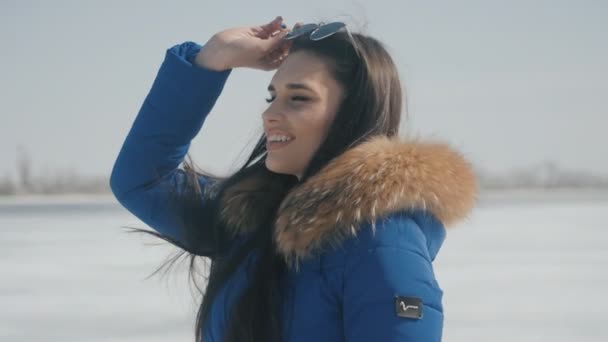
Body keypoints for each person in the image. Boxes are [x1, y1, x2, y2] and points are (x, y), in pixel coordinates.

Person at [110, 16, 476, 342]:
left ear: (353, 113)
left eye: (298, 98)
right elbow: (142, 180)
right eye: (272, 96)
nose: (270, 113)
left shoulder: (382, 242)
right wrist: (214, 57)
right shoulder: (250, 218)